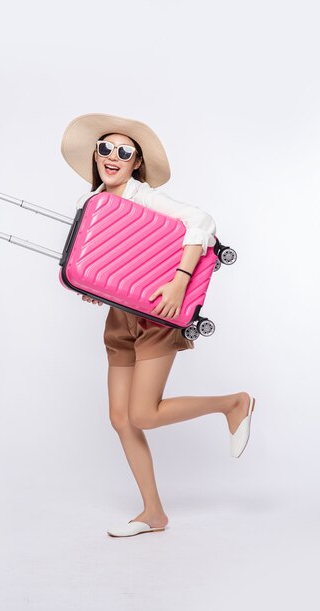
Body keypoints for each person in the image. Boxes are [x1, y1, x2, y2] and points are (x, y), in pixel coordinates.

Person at [61, 113, 256, 538]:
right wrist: (94, 288)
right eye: (105, 149)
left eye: (124, 152)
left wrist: (179, 281)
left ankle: (232, 404)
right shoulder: (89, 203)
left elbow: (202, 221)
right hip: (120, 319)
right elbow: (106, 263)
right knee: (121, 418)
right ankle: (154, 513)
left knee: (143, 414)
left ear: (136, 163)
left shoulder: (144, 197)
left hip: (157, 318)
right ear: (95, 156)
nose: (113, 157)